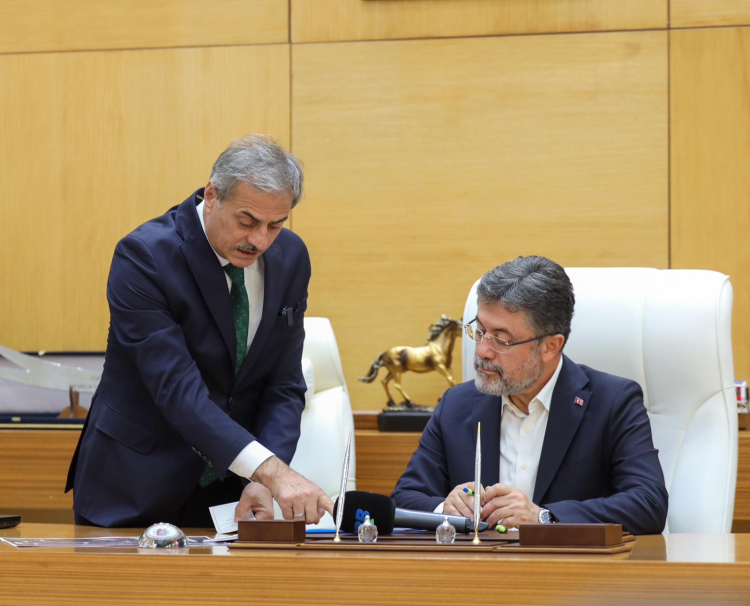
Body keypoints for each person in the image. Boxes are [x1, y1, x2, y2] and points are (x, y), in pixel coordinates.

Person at [66, 135, 333, 528]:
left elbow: (283, 384)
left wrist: (260, 480)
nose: (260, 240)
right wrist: (270, 471)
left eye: (275, 225)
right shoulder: (145, 257)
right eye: (247, 221)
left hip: (227, 496)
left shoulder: (291, 257)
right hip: (133, 484)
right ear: (212, 195)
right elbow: (176, 388)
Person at [392, 256, 668, 535]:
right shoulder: (456, 404)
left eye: (501, 340)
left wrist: (543, 517)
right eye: (480, 331)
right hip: (479, 561)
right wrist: (446, 508)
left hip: (569, 563)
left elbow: (648, 504)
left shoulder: (612, 402)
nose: (483, 351)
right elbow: (404, 499)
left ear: (550, 347)